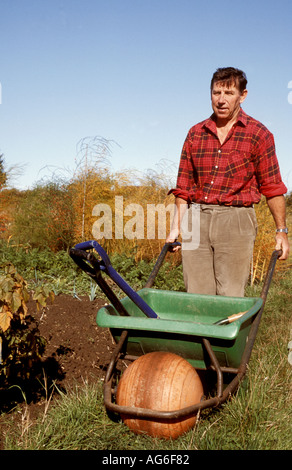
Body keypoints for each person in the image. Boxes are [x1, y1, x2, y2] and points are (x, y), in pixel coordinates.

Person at [166, 67, 290, 297]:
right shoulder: (195, 133)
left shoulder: (259, 134)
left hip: (236, 220)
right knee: (197, 295)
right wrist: (176, 228)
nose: (221, 100)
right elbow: (183, 187)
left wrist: (281, 231)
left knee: (230, 296)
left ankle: (227, 334)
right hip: (196, 218)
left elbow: (272, 188)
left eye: (229, 93)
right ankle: (201, 334)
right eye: (216, 93)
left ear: (243, 96)